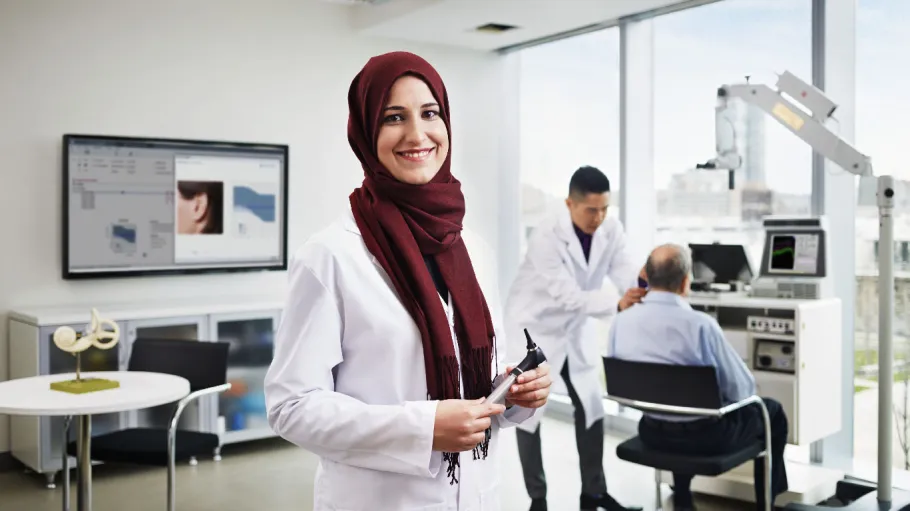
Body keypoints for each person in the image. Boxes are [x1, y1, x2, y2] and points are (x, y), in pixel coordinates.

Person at [264, 51, 553, 511]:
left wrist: (516, 396)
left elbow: (473, 377)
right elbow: (291, 406)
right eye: (394, 117)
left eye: (429, 113)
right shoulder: (330, 256)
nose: (417, 134)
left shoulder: (472, 249)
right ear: (365, 132)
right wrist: (423, 428)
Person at [505, 166, 644, 511]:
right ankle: (538, 499)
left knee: (591, 406)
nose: (599, 217)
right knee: (529, 412)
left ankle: (593, 493)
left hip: (575, 329)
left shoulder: (611, 229)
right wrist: (617, 302)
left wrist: (644, 287)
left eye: (605, 209)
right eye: (591, 210)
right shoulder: (546, 235)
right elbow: (566, 294)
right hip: (535, 329)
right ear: (570, 203)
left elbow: (626, 269)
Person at [609, 243, 789, 511]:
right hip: (706, 440)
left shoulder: (622, 320)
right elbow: (743, 390)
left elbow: (621, 379)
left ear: (645, 277)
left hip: (651, 432)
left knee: (679, 405)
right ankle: (769, 502)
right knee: (771, 411)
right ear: (685, 282)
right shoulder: (700, 325)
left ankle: (682, 495)